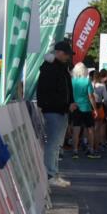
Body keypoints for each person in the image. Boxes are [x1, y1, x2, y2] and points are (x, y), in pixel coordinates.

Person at [37, 40, 77, 187]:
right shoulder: (51, 68)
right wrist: (67, 105)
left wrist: (68, 105)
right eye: (66, 54)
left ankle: (53, 173)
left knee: (55, 145)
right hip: (55, 111)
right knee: (53, 144)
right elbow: (49, 93)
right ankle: (50, 175)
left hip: (60, 110)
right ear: (58, 53)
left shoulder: (59, 68)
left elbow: (62, 91)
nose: (68, 57)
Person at [70, 63, 98, 159]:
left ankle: (75, 151)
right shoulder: (87, 81)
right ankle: (91, 150)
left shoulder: (72, 81)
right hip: (86, 108)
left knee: (76, 129)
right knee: (90, 129)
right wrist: (95, 109)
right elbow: (91, 96)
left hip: (75, 107)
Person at [92, 70, 107, 153]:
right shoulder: (102, 86)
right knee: (98, 128)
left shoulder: (90, 84)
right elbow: (106, 98)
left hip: (90, 106)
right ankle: (96, 146)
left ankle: (89, 145)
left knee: (89, 128)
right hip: (99, 107)